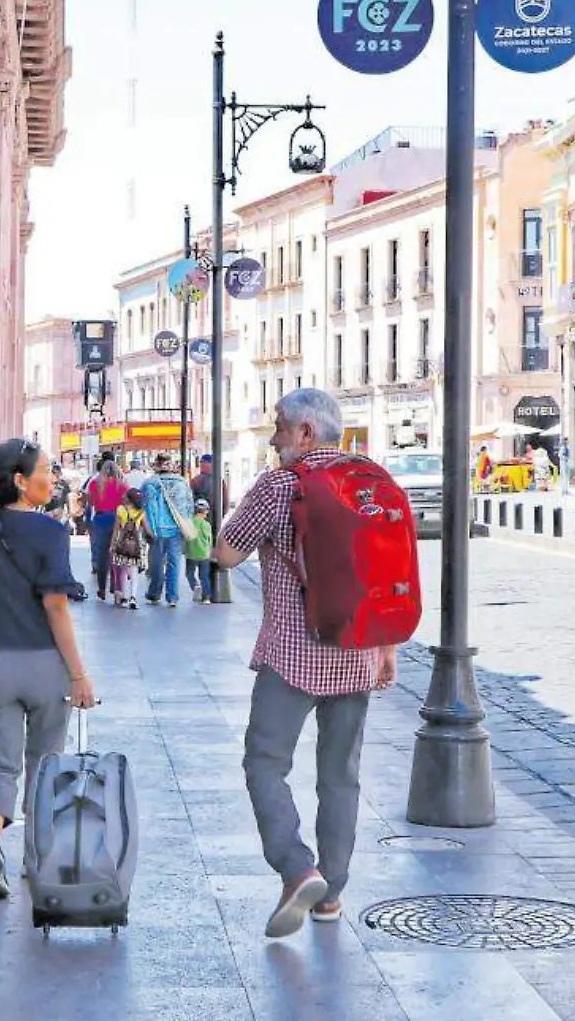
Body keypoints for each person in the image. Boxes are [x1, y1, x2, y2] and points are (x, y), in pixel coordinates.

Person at [212, 387, 399, 939]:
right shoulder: (371, 481)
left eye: (279, 428)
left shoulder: (277, 486)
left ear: (305, 434)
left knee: (264, 764)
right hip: (357, 653)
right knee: (340, 778)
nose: (273, 440)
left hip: (292, 656)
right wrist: (385, 647)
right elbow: (385, 571)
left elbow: (227, 553)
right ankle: (330, 896)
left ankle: (298, 870)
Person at [0, 439, 97, 900]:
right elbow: (55, 605)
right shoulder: (52, 534)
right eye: (47, 472)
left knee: (0, 762)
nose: (53, 479)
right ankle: (36, 855)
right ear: (20, 480)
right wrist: (78, 673)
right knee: (44, 763)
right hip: (43, 665)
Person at [141, 454, 195, 607]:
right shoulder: (182, 483)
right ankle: (172, 596)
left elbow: (145, 508)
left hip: (156, 529)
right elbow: (189, 506)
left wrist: (147, 530)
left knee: (156, 562)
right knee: (174, 562)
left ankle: (154, 593)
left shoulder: (149, 483)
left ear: (156, 465)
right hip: (176, 529)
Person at [85, 460, 127, 601]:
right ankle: (116, 588)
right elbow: (126, 503)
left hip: (100, 519)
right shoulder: (122, 485)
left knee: (102, 556)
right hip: (117, 519)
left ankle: (101, 589)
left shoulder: (94, 484)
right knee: (116, 555)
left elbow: (90, 502)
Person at [110, 487, 150, 609]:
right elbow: (147, 529)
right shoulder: (141, 512)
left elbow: (116, 529)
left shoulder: (121, 510)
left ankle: (124, 597)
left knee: (123, 571)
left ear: (128, 499)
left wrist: (112, 544)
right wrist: (153, 537)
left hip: (122, 544)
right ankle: (133, 597)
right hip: (136, 546)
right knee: (134, 572)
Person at [184, 498, 216, 603]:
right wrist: (210, 551)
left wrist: (184, 550)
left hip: (191, 553)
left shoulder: (189, 522)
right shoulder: (206, 525)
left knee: (189, 573)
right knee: (204, 576)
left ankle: (195, 587)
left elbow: (185, 538)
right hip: (204, 554)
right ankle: (206, 597)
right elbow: (209, 540)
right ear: (205, 511)